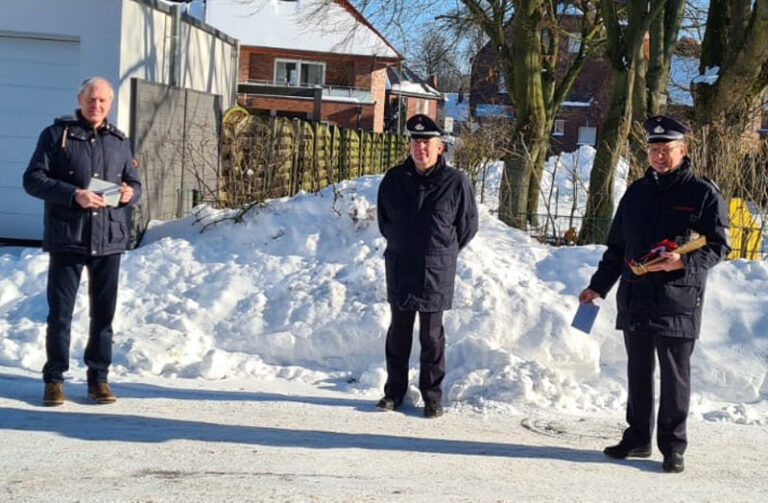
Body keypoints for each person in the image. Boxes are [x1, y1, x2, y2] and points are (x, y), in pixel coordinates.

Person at [578, 116, 730, 473]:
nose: (660, 156)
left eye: (667, 150)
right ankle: (638, 438)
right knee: (638, 372)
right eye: (654, 149)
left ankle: (673, 446)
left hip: (678, 300)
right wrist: (597, 287)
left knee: (675, 377)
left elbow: (720, 246)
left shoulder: (703, 193)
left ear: (683, 151)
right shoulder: (636, 192)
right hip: (635, 296)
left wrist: (682, 262)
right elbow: (617, 248)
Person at [23, 77, 142, 406]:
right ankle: (54, 379)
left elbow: (133, 182)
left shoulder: (119, 140)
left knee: (103, 316)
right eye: (92, 99)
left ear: (110, 104)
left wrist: (131, 193)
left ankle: (98, 379)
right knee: (60, 314)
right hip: (68, 239)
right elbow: (33, 180)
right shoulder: (55, 135)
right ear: (80, 98)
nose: (97, 106)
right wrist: (74, 195)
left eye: (103, 101)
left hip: (109, 240)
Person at [376, 114, 479, 418]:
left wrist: (441, 252)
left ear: (440, 147)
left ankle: (432, 397)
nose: (420, 148)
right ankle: (394, 392)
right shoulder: (394, 180)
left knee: (431, 337)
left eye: (427, 142)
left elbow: (467, 227)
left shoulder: (456, 183)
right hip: (400, 266)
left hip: (436, 270)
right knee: (398, 333)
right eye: (415, 142)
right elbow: (385, 222)